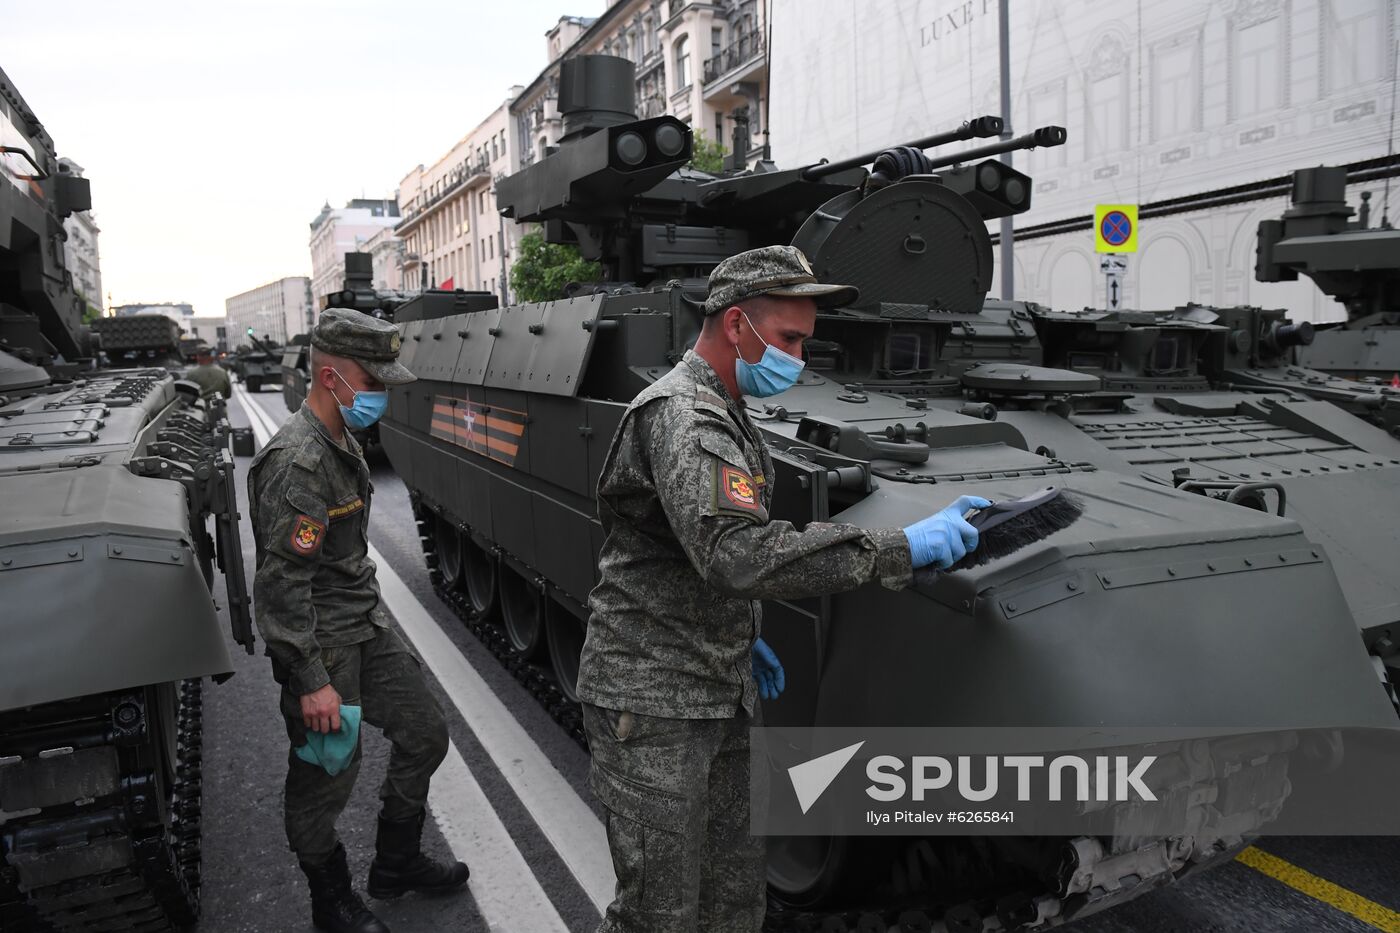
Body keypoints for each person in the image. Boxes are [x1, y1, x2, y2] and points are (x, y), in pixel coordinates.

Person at [576, 245, 989, 933]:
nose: (799, 357)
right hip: (652, 701)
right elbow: (735, 553)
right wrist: (900, 546)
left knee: (734, 896)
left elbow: (698, 550)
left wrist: (743, 631)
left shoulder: (726, 409)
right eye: (791, 338)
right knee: (660, 912)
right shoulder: (685, 415)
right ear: (737, 325)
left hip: (714, 679)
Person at [247, 308, 468, 933]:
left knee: (425, 735)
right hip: (323, 646)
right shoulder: (298, 465)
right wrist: (311, 677)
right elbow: (282, 584)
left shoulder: (340, 439)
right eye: (371, 384)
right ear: (329, 376)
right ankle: (330, 899)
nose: (379, 397)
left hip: (366, 627)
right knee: (325, 780)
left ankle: (395, 865)